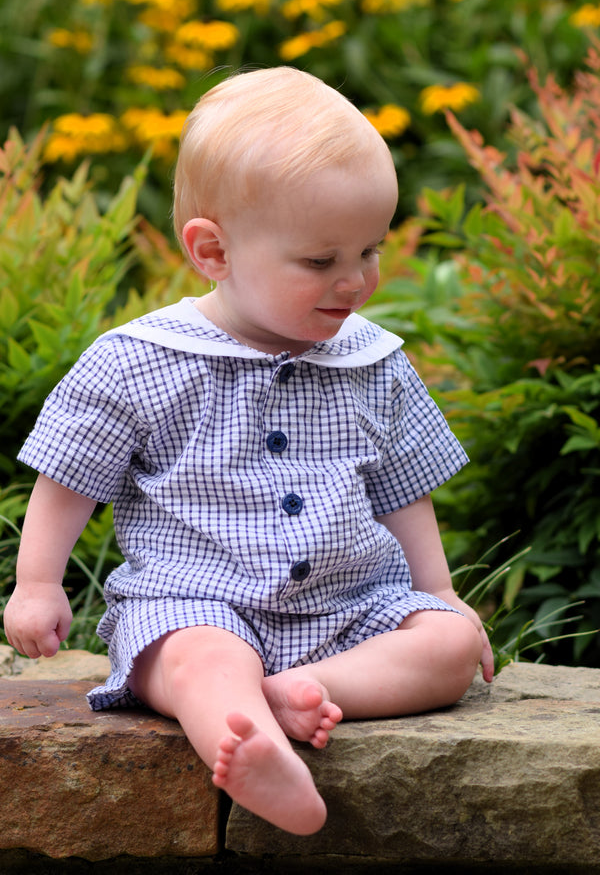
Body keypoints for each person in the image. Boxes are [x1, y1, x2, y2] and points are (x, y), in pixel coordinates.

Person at [4, 66, 493, 836]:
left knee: (449, 646)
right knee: (198, 662)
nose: (356, 281)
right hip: (194, 604)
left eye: (370, 250)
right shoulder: (139, 359)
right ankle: (259, 746)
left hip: (347, 609)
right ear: (213, 251)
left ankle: (298, 690)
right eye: (320, 262)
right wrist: (38, 583)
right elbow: (70, 477)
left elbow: (405, 488)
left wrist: (441, 592)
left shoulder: (373, 359)